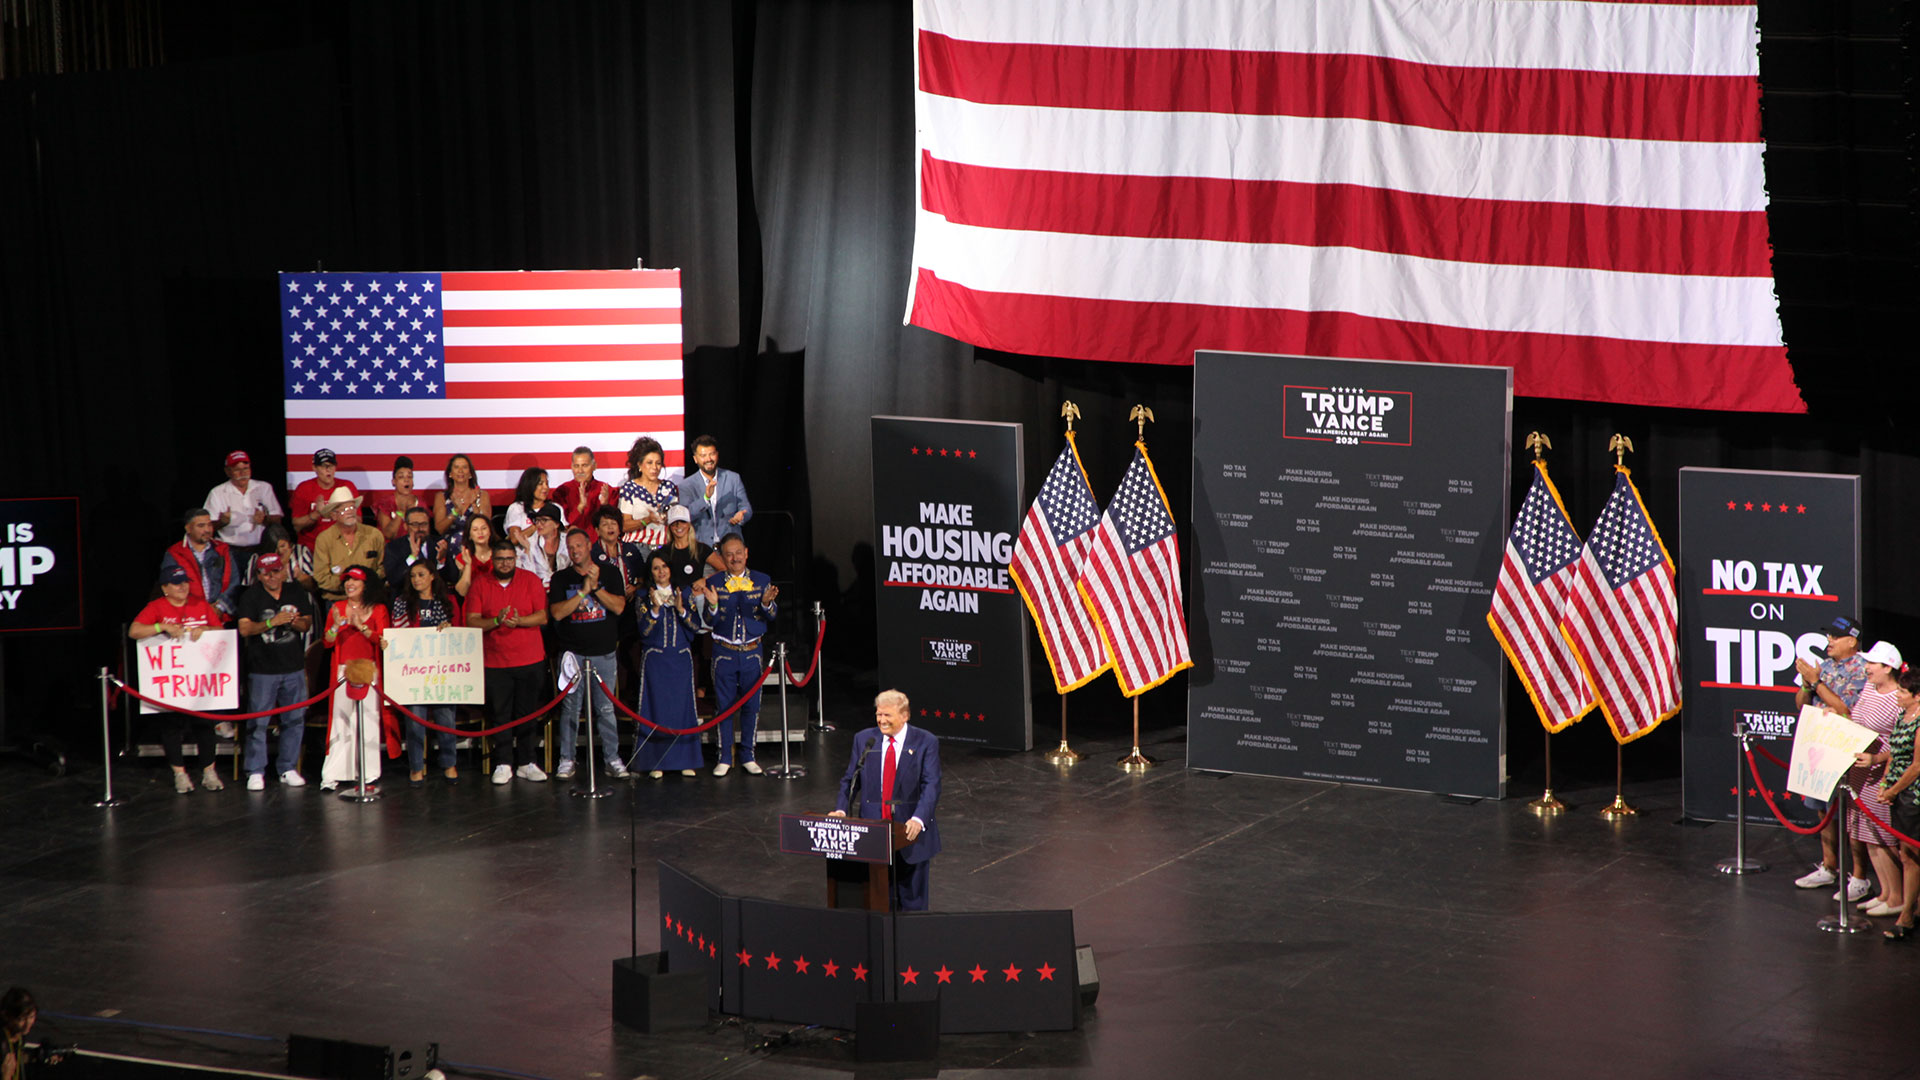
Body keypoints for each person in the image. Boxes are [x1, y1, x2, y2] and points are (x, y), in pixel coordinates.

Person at [829, 689, 942, 911]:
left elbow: (932, 785)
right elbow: (850, 780)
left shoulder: (925, 741)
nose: (882, 720)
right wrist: (841, 810)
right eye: (879, 715)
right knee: (879, 902)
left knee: (912, 905)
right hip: (874, 834)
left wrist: (919, 819)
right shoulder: (865, 739)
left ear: (905, 715)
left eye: (887, 715)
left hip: (910, 834)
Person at [130, 563, 226, 794]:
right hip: (173, 682)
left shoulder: (200, 604)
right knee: (172, 726)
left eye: (185, 582)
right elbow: (134, 631)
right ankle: (180, 774)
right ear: (165, 588)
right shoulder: (157, 606)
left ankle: (208, 771)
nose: (183, 586)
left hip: (200, 680)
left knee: (205, 724)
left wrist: (206, 630)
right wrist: (160, 626)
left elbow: (220, 631)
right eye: (176, 583)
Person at [1794, 616, 1872, 895]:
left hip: (1848, 753)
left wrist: (1817, 683)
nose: (1829, 641)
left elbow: (1845, 711)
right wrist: (1807, 685)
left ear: (1852, 641)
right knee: (1822, 809)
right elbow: (1802, 705)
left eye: (1835, 637)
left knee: (1852, 816)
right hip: (1820, 750)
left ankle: (1860, 877)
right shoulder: (1824, 668)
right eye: (1828, 635)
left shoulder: (1864, 670)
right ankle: (1829, 867)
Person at [466, 537, 551, 784]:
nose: (505, 563)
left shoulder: (531, 580)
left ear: (516, 559)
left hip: (530, 659)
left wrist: (519, 621)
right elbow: (472, 621)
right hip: (495, 662)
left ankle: (527, 761)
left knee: (527, 712)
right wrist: (495, 621)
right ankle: (503, 762)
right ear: (492, 560)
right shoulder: (481, 584)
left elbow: (542, 616)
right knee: (500, 714)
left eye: (509, 559)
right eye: (500, 559)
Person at [548, 528, 628, 780]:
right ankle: (567, 759)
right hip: (573, 655)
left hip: (603, 654)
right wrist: (583, 591)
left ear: (589, 545)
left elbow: (619, 607)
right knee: (570, 708)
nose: (574, 551)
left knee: (605, 709)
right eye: (570, 548)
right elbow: (558, 613)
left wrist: (596, 589)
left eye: (578, 546)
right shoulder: (561, 578)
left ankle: (612, 759)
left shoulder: (611, 572)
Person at [696, 535, 777, 775]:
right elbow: (709, 621)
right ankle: (724, 756)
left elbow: (771, 616)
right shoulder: (715, 581)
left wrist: (765, 604)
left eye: (738, 552)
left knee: (752, 705)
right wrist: (711, 606)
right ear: (722, 557)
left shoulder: (762, 580)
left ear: (746, 553)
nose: (735, 558)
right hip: (724, 652)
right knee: (724, 707)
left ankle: (748, 755)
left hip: (752, 652)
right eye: (729, 554)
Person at [235, 552, 314, 790]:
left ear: (284, 570)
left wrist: (293, 621)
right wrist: (272, 622)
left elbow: (306, 623)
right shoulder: (251, 595)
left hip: (293, 666)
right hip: (262, 669)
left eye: (277, 571)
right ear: (259, 575)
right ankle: (256, 770)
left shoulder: (295, 591)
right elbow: (244, 629)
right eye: (267, 573)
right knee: (258, 721)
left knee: (294, 720)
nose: (273, 577)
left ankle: (288, 767)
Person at [632, 553, 708, 778]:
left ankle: (685, 760)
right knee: (655, 710)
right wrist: (655, 611)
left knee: (682, 710)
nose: (661, 571)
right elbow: (644, 631)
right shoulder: (644, 596)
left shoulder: (683, 593)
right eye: (656, 568)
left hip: (680, 660)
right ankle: (656, 761)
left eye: (664, 566)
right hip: (655, 661)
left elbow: (695, 626)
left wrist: (681, 609)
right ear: (651, 572)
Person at [1844, 641, 1906, 915]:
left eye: (1872, 664)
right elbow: (1858, 720)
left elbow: (1903, 742)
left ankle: (1897, 898)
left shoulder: (1899, 698)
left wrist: (1876, 760)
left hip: (1881, 773)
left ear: (1888, 668)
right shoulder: (1869, 688)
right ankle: (1885, 893)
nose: (1866, 668)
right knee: (1866, 834)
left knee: (1883, 835)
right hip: (1859, 771)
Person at [390, 559, 462, 786]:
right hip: (414, 672)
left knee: (445, 718)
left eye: (421, 575)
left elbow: (459, 633)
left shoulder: (447, 602)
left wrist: (449, 629)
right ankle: (416, 767)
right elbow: (397, 634)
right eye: (413, 576)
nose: (416, 580)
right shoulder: (403, 603)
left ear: (432, 576)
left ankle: (449, 763)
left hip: (442, 670)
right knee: (415, 721)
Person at [320, 566, 391, 791]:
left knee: (368, 720)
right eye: (347, 580)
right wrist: (334, 626)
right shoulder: (337, 608)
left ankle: (368, 773)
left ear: (365, 585)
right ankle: (333, 774)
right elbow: (327, 642)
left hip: (369, 670)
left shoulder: (378, 609)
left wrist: (362, 628)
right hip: (343, 670)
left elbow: (383, 639)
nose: (349, 584)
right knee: (341, 721)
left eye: (355, 580)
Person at [1877, 670, 1920, 941]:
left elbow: (1917, 766)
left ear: (1917, 696)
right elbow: (1894, 752)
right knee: (1907, 854)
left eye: (1903, 693)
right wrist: (1884, 784)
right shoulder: (1901, 717)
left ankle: (1906, 916)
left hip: (1913, 795)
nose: (1898, 697)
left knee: (1910, 856)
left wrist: (1893, 790)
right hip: (1897, 794)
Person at [161, 507, 242, 624]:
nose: (207, 530)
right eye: (201, 526)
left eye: (209, 525)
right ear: (188, 528)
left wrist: (219, 607)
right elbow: (171, 588)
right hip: (188, 618)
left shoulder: (223, 549)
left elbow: (234, 582)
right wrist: (199, 611)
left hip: (221, 616)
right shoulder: (175, 553)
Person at [677, 434, 752, 550]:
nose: (708, 459)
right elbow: (685, 516)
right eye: (703, 455)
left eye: (712, 454)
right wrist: (705, 498)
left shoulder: (733, 478)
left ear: (717, 454)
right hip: (703, 550)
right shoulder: (686, 485)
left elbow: (746, 507)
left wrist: (742, 515)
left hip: (730, 548)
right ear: (695, 459)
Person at [204, 449, 283, 558]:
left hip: (261, 549)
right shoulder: (217, 493)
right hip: (230, 551)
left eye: (246, 468)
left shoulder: (264, 488)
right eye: (237, 470)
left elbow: (277, 520)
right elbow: (206, 527)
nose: (243, 473)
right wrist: (222, 522)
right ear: (228, 471)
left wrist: (264, 519)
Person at [312, 492, 385, 608]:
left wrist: (365, 585)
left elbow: (382, 567)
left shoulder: (374, 535)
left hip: (369, 601)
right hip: (337, 601)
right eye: (344, 509)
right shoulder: (324, 539)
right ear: (334, 515)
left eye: (352, 507)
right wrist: (350, 586)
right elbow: (321, 577)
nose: (350, 512)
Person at [289, 447, 359, 550]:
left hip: (342, 546)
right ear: (314, 468)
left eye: (331, 466)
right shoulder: (304, 488)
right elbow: (296, 525)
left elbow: (359, 520)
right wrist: (317, 514)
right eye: (323, 466)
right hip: (311, 547)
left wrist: (342, 515)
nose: (328, 470)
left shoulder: (346, 487)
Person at [618, 436, 678, 549]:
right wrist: (647, 520)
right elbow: (624, 526)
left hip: (664, 548)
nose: (654, 467)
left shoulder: (669, 488)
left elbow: (675, 520)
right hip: (636, 547)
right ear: (639, 465)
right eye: (649, 463)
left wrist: (667, 518)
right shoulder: (629, 489)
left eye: (658, 463)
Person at [553, 445, 617, 531]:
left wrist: (604, 506)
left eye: (584, 465)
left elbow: (614, 527)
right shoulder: (562, 492)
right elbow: (561, 525)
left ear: (594, 466)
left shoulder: (607, 491)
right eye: (576, 466)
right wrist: (580, 506)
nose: (580, 471)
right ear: (571, 467)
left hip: (599, 543)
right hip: (571, 543)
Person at [2, 987, 58, 1080]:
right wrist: (6, 1076)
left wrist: (37, 1055)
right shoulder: (2, 1040)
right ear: (8, 1016)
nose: (27, 1024)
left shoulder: (18, 1034)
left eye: (31, 1017)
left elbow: (17, 1058)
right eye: (22, 1019)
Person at [384, 505, 447, 586]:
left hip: (434, 595)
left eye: (424, 524)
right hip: (405, 595)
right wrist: (412, 557)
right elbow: (394, 580)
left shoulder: (439, 544)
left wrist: (441, 561)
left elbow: (451, 578)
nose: (420, 529)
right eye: (415, 524)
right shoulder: (393, 547)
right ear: (406, 526)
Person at [432, 453, 491, 537]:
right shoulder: (441, 497)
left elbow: (487, 526)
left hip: (475, 544)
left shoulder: (482, 495)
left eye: (464, 467)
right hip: (449, 545)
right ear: (450, 473)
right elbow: (440, 529)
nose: (460, 470)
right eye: (456, 467)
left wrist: (475, 506)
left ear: (470, 473)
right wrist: (455, 512)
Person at [661, 504, 721, 586]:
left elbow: (723, 569)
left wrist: (705, 580)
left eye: (683, 522)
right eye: (674, 523)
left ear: (689, 524)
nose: (679, 526)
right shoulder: (664, 552)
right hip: (671, 596)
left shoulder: (701, 549)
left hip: (696, 596)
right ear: (670, 526)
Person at [248, 525, 317, 593]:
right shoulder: (257, 558)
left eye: (283, 546)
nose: (280, 551)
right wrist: (280, 566)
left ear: (288, 543)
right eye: (274, 548)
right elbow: (250, 590)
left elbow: (313, 587)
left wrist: (301, 577)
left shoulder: (301, 552)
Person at [370, 456, 424, 540]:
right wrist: (401, 512)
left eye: (409, 477)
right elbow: (388, 534)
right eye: (401, 477)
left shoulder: (420, 503)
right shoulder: (385, 503)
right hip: (391, 549)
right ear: (393, 482)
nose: (406, 480)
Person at [450, 513, 496, 600]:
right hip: (473, 605)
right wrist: (468, 565)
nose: (480, 532)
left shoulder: (499, 555)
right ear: (470, 535)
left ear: (490, 531)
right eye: (475, 529)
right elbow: (462, 592)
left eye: (484, 528)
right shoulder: (462, 558)